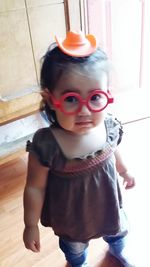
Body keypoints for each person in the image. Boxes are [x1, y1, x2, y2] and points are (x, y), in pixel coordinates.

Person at [23, 31, 136, 267]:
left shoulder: (109, 126)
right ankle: (78, 263)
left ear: (108, 95)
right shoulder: (47, 145)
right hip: (72, 218)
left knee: (118, 232)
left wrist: (124, 171)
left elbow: (113, 150)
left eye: (95, 97)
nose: (85, 111)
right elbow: (34, 187)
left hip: (108, 206)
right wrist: (30, 224)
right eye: (72, 99)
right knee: (74, 249)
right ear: (51, 98)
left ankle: (118, 251)